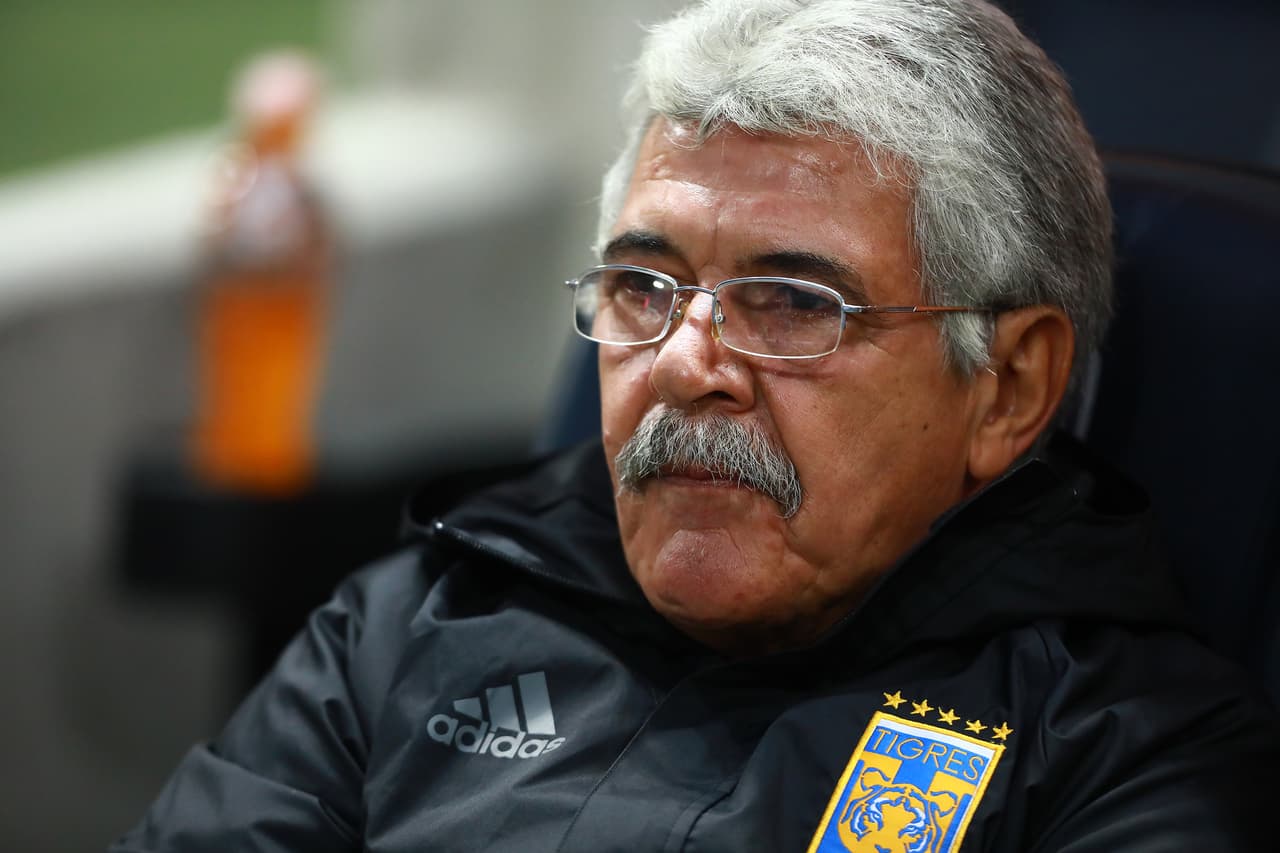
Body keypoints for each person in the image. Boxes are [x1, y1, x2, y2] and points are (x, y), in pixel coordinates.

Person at [111, 1, 1280, 850]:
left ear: (1009, 385)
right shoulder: (412, 621)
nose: (683, 365)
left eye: (789, 302)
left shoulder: (1122, 758)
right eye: (642, 287)